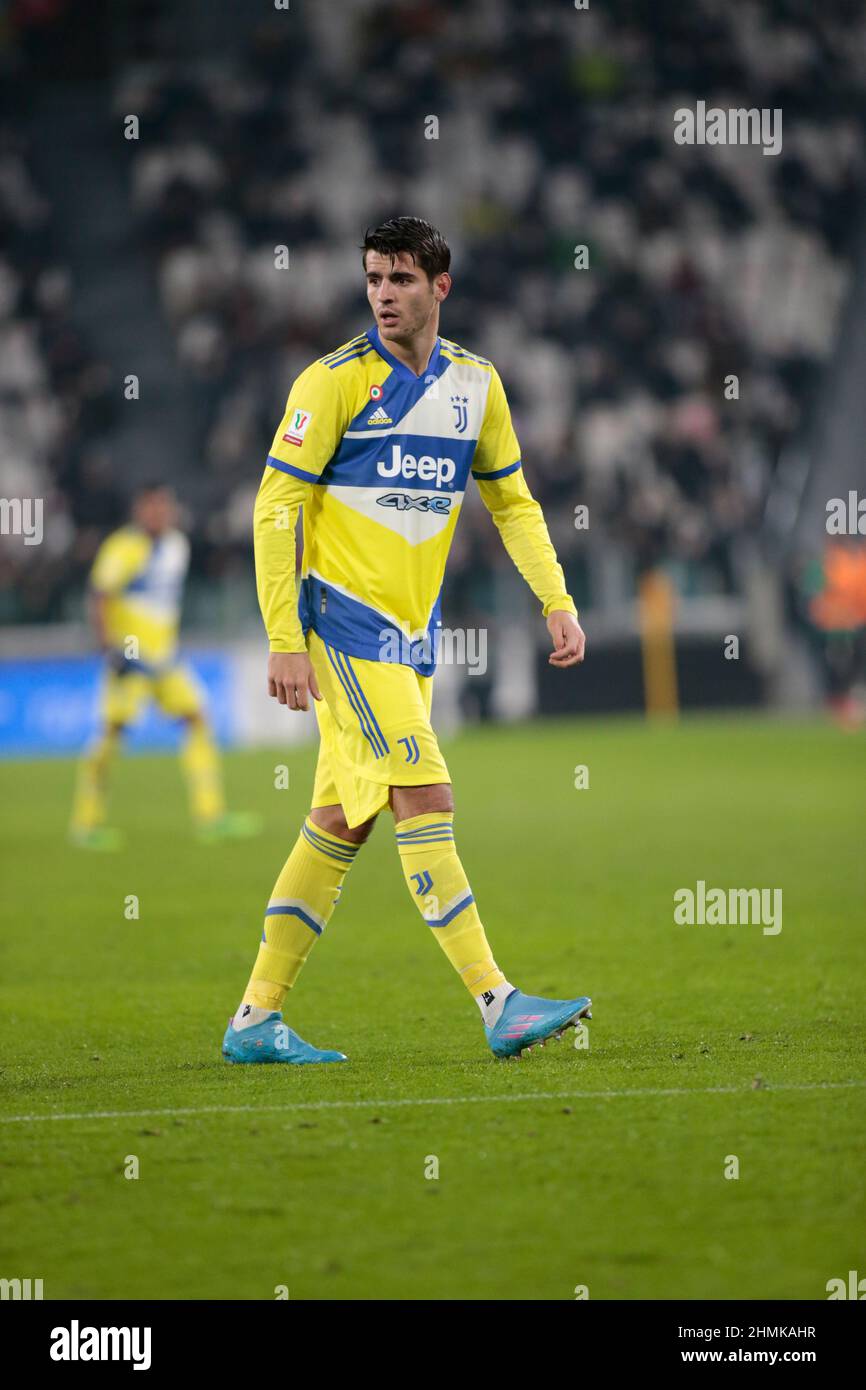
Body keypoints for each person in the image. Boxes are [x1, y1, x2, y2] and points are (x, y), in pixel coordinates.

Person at [222, 217, 591, 1064]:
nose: (384, 294)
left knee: (335, 828)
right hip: (345, 631)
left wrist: (555, 599)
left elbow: (514, 502)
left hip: (411, 641)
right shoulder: (332, 383)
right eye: (374, 279)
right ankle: (498, 1002)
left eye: (401, 279)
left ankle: (255, 1019)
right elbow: (274, 508)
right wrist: (285, 638)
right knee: (425, 793)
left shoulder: (477, 385)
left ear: (440, 287)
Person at [70, 481, 258, 848]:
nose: (158, 513)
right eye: (151, 506)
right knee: (112, 732)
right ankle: (85, 823)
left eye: (164, 506)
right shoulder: (123, 548)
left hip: (166, 658)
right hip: (130, 658)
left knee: (197, 718)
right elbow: (99, 597)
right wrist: (108, 648)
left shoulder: (177, 546)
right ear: (139, 510)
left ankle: (211, 816)